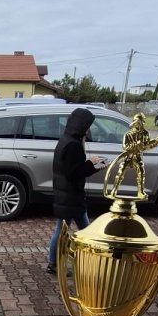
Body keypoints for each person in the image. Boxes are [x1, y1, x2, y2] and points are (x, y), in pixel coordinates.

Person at [46, 108, 103, 274]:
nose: (89, 129)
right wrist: (92, 165)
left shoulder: (66, 140)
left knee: (77, 229)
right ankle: (56, 263)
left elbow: (70, 169)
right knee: (68, 230)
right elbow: (73, 172)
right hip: (70, 196)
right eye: (88, 126)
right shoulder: (73, 145)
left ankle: (85, 261)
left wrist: (91, 164)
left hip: (67, 194)